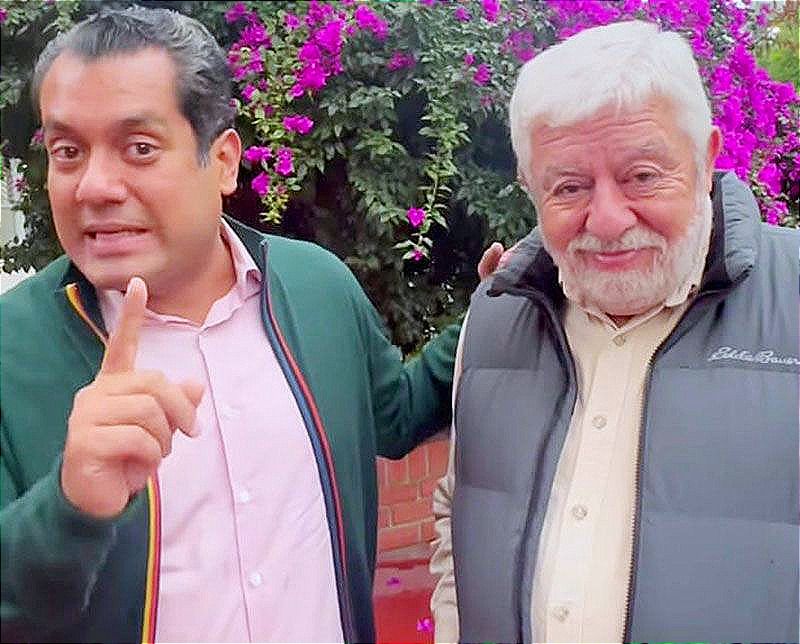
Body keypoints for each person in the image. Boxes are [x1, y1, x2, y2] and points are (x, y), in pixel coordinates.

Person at [0, 7, 504, 642]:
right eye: (69, 152)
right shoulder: (13, 348)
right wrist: (69, 507)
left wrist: (496, 311)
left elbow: (399, 414)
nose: (94, 187)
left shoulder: (316, 288)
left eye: (139, 148)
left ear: (223, 161)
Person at [430, 20, 798, 644]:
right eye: (569, 187)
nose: (606, 219)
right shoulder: (491, 321)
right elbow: (457, 513)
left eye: (642, 176)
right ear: (531, 188)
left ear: (706, 158)